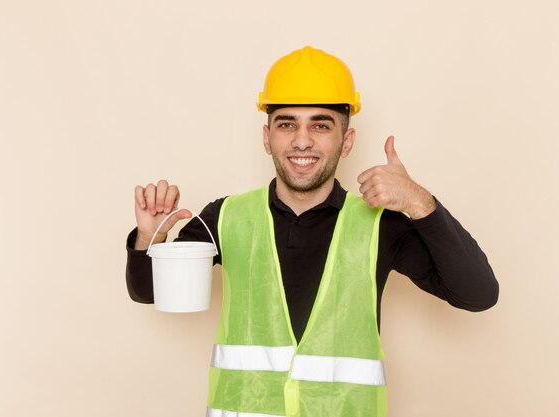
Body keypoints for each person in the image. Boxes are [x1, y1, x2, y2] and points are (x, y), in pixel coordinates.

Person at [125, 46, 499, 417]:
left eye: (320, 125)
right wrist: (149, 237)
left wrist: (419, 202)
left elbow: (478, 294)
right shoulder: (225, 216)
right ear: (267, 137)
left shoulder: (380, 224)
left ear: (347, 141)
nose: (302, 141)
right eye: (287, 124)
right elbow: (149, 291)